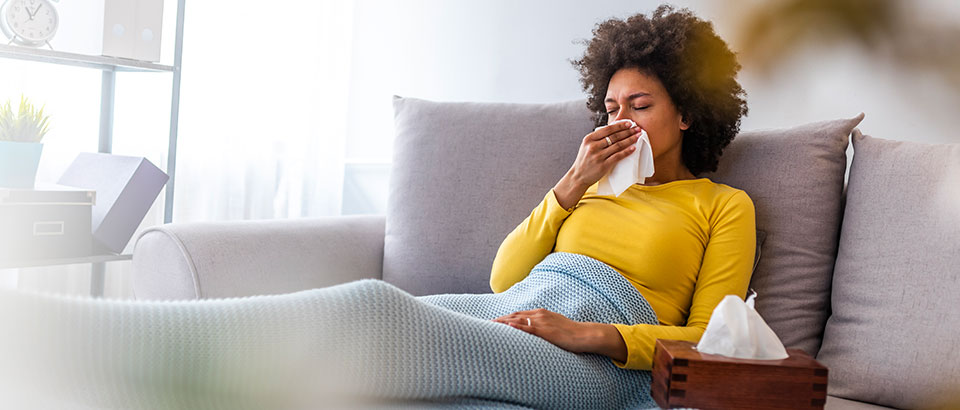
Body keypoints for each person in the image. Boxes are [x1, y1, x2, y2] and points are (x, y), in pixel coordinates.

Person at [489, 4, 756, 372]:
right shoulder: (586, 184)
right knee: (380, 306)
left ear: (687, 114)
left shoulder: (723, 205)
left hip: (595, 361)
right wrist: (576, 178)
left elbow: (709, 338)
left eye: (640, 105)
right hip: (514, 319)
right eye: (612, 109)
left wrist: (588, 335)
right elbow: (503, 282)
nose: (621, 122)